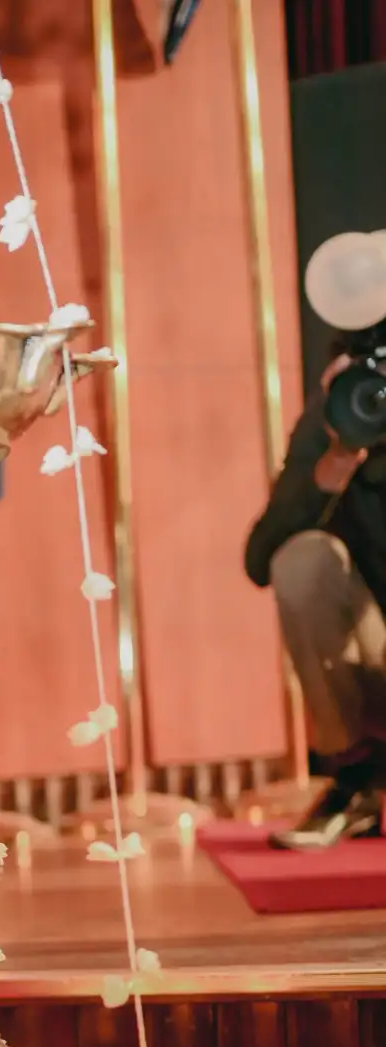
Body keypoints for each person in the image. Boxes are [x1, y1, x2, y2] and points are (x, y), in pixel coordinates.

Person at [245, 259, 386, 848]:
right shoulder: (341, 414)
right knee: (302, 560)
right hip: (375, 653)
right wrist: (332, 465)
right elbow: (260, 559)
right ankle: (355, 781)